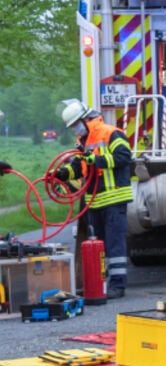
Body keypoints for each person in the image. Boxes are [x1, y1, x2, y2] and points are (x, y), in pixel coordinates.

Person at [55, 100, 132, 300]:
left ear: (85, 119)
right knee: (98, 248)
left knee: (115, 245)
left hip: (114, 198)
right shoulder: (82, 142)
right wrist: (63, 174)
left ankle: (117, 286)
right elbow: (79, 167)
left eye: (75, 124)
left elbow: (124, 158)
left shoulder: (111, 133)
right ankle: (101, 285)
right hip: (94, 201)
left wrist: (95, 160)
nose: (75, 129)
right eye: (72, 127)